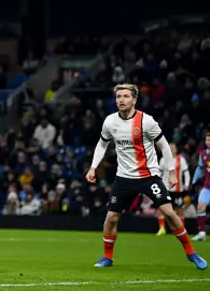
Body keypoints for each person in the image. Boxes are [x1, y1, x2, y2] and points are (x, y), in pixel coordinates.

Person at [86, 83, 206, 270]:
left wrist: (172, 172)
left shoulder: (146, 121)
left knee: (169, 213)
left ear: (134, 100)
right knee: (111, 218)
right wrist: (93, 167)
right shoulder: (110, 122)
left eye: (126, 96)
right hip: (124, 178)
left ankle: (192, 253)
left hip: (148, 176)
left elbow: (164, 145)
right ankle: (107, 258)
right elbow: (102, 145)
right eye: (118, 97)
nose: (121, 100)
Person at [156, 143, 190, 236]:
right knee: (162, 208)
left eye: (173, 148)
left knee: (179, 209)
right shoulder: (163, 159)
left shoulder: (181, 159)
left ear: (176, 149)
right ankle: (162, 228)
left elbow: (186, 173)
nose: (171, 149)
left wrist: (187, 184)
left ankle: (181, 230)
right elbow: (159, 173)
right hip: (165, 188)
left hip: (178, 189)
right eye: (169, 148)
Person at [192, 131, 210, 241]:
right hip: (207, 187)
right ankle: (202, 233)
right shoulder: (203, 154)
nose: (208, 142)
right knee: (200, 207)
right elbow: (199, 168)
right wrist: (194, 181)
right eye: (207, 140)